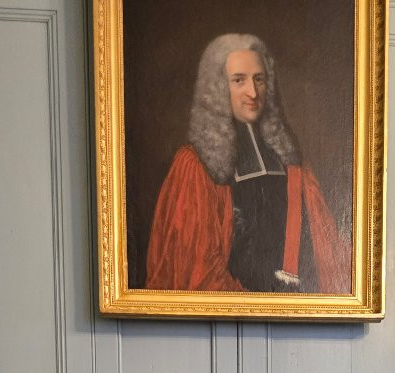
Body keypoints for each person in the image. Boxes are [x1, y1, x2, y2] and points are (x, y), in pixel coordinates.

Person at [144, 33, 350, 294]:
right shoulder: (194, 165)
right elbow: (194, 271)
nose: (252, 92)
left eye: (259, 79)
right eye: (239, 80)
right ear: (218, 87)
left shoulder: (293, 165)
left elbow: (328, 256)